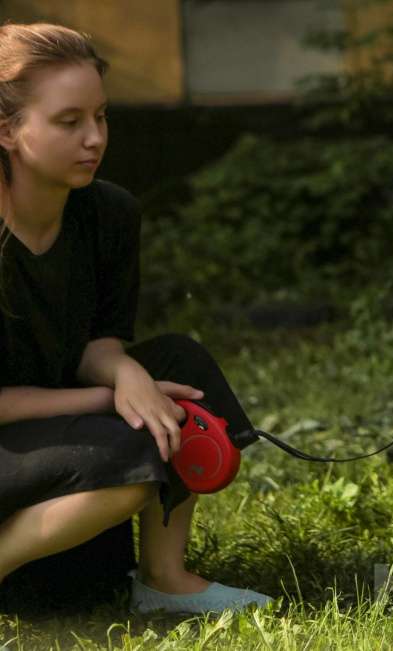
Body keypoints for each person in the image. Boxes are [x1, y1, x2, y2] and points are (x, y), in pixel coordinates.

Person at [0, 22, 272, 614]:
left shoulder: (110, 213)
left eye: (100, 117)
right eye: (68, 122)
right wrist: (112, 399)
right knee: (131, 452)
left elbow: (98, 342)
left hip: (48, 433)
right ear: (8, 131)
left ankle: (163, 577)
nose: (94, 138)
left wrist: (125, 374)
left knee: (180, 362)